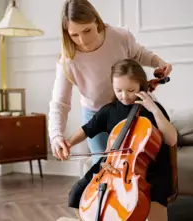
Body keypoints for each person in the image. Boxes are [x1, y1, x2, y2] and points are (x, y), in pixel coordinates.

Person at [49, 0, 173, 164]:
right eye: (74, 35)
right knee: (103, 167)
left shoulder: (119, 36)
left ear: (96, 20)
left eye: (87, 30)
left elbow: (139, 54)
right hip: (96, 113)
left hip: (129, 107)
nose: (82, 40)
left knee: (138, 161)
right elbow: (60, 103)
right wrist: (56, 136)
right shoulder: (68, 59)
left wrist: (159, 62)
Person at [55, 59, 177, 221]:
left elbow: (171, 139)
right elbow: (86, 129)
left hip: (151, 167)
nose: (124, 96)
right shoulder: (109, 110)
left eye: (130, 90)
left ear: (141, 85)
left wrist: (154, 108)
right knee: (78, 193)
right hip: (114, 164)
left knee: (154, 201)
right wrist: (68, 143)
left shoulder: (152, 110)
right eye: (118, 90)